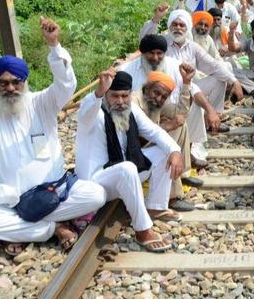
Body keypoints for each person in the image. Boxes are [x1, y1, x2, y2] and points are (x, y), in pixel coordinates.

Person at [0, 21, 105, 255]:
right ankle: (49, 228)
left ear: (24, 82)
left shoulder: (41, 103)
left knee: (96, 195)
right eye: (3, 82)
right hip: (4, 201)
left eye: (16, 81)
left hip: (52, 194)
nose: (10, 87)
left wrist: (53, 44)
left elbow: (67, 84)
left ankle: (18, 230)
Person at [75, 70, 184, 252]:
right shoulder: (94, 112)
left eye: (124, 96)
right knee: (127, 168)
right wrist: (99, 92)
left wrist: (175, 150)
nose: (120, 101)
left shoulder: (130, 108)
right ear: (105, 95)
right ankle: (143, 230)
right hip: (96, 182)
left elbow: (154, 131)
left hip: (125, 174)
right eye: (114, 96)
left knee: (163, 152)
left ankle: (155, 207)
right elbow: (85, 113)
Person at [140, 9, 242, 163]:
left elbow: (213, 65)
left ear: (187, 28)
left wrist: (234, 81)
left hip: (188, 87)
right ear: (169, 26)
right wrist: (155, 19)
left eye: (182, 25)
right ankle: (193, 146)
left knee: (218, 80)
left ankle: (212, 120)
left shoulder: (192, 47)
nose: (178, 28)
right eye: (174, 24)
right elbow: (144, 40)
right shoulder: (162, 43)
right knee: (193, 102)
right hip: (164, 93)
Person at [133, 69, 197, 212]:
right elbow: (135, 135)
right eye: (156, 93)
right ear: (148, 88)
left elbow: (181, 113)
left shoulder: (156, 101)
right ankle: (172, 197)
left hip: (147, 147)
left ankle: (181, 173)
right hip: (135, 151)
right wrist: (166, 126)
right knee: (168, 140)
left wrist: (186, 84)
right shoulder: (134, 101)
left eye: (164, 96)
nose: (159, 98)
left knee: (180, 124)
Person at [227, 18, 254, 98]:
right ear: (252, 32)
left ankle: (249, 88)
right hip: (252, 76)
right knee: (229, 70)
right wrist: (232, 32)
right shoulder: (249, 42)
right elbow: (233, 48)